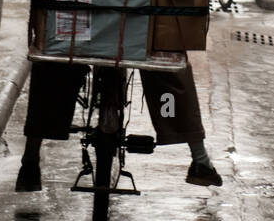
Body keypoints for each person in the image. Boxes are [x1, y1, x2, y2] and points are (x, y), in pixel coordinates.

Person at [15, 61, 223, 191]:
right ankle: (200, 160)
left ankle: (30, 160)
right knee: (169, 70)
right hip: (141, 20)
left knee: (54, 62)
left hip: (83, 21)